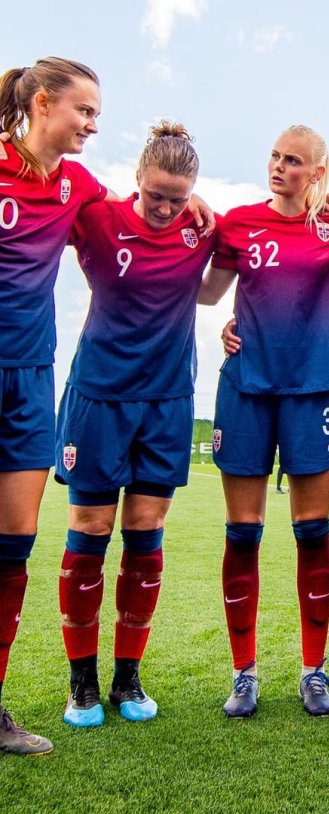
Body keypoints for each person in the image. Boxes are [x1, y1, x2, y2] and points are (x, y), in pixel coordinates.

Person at [54, 122, 218, 728]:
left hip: (167, 400)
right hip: (99, 397)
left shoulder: (202, 229)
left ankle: (127, 679)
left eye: (179, 197)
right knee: (91, 531)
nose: (167, 208)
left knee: (145, 539)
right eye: (156, 194)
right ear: (137, 179)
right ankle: (81, 684)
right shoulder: (97, 218)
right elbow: (51, 193)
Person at [198, 125, 329, 718]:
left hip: (312, 392)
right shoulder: (239, 222)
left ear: (317, 173)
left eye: (293, 161)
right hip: (245, 390)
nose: (278, 166)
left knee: (312, 531)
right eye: (274, 156)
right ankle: (244, 674)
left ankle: (313, 671)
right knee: (243, 532)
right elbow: (208, 293)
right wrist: (224, 327)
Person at [0, 56, 110, 755]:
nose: (93, 125)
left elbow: (135, 226)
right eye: (85, 112)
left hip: (31, 380)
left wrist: (192, 208)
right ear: (44, 103)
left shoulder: (75, 185)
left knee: (13, 547)